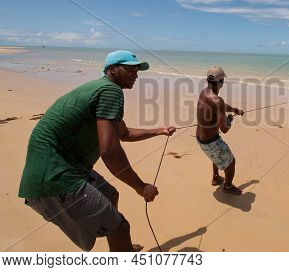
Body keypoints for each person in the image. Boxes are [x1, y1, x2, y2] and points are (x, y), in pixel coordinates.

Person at [18, 50, 176, 252]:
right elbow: (109, 150)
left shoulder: (100, 89)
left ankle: (120, 246)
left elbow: (124, 133)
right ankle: (120, 242)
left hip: (64, 167)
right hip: (56, 176)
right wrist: (140, 186)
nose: (135, 74)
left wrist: (160, 130)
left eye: (136, 70)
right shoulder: (111, 92)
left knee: (111, 195)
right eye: (129, 69)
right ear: (112, 70)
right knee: (121, 227)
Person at [196, 66, 244, 195]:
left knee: (215, 156)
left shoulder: (204, 93)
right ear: (221, 82)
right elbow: (224, 129)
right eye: (223, 81)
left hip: (200, 138)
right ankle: (227, 187)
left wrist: (234, 109)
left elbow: (220, 106)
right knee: (231, 162)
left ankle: (216, 177)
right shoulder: (218, 101)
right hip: (211, 141)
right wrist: (230, 120)